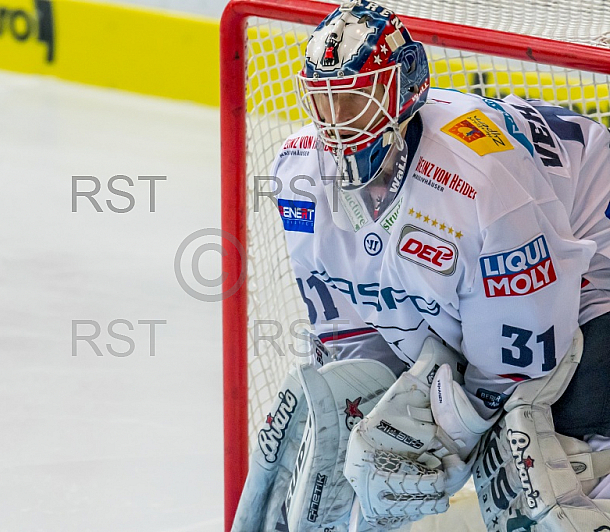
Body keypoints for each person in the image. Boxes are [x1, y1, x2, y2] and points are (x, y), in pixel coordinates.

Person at [231, 1, 610, 531]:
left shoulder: (479, 182)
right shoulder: (299, 172)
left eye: (356, 102)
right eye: (326, 103)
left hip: (593, 241)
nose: (337, 125)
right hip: (527, 245)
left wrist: (447, 443)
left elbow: (522, 355)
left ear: (403, 93)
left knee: (533, 440)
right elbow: (351, 327)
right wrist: (362, 410)